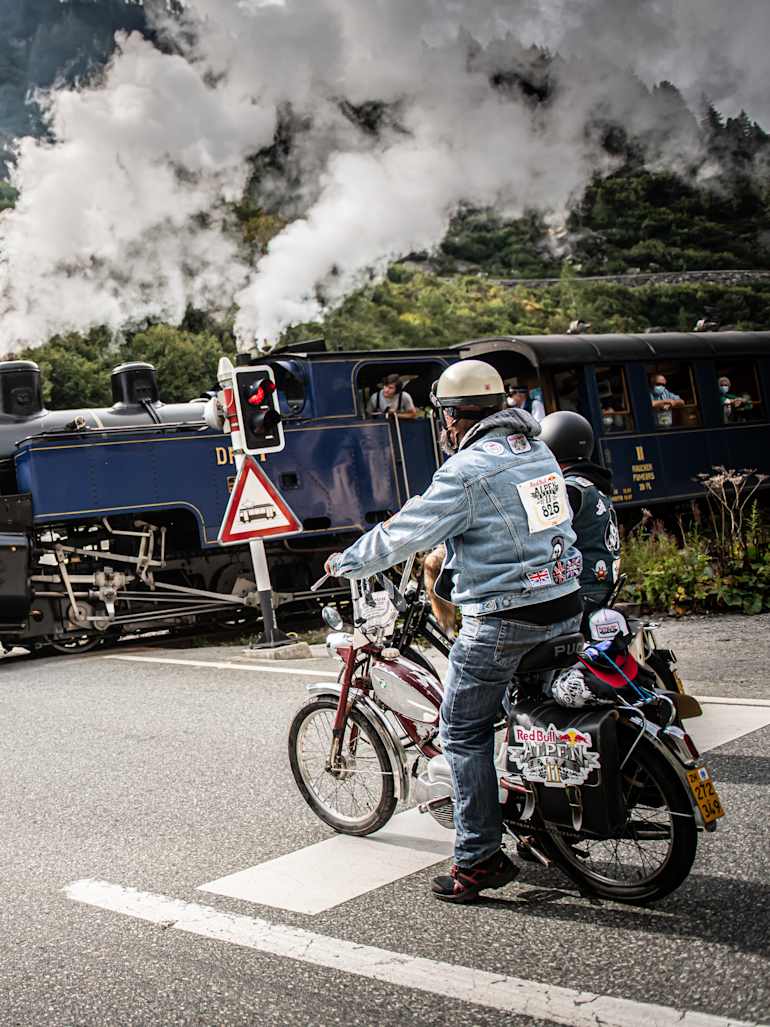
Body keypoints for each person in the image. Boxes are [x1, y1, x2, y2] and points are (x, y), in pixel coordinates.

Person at [325, 359, 583, 903]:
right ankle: (540, 815)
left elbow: (405, 531)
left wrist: (344, 563)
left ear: (453, 418)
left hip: (507, 616)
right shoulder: (537, 451)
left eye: (444, 417)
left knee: (461, 731)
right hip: (566, 604)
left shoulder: (467, 471)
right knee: (525, 708)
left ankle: (478, 860)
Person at [539, 411, 621, 619]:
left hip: (581, 590)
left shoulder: (570, 489)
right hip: (602, 586)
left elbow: (546, 538)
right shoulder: (594, 485)